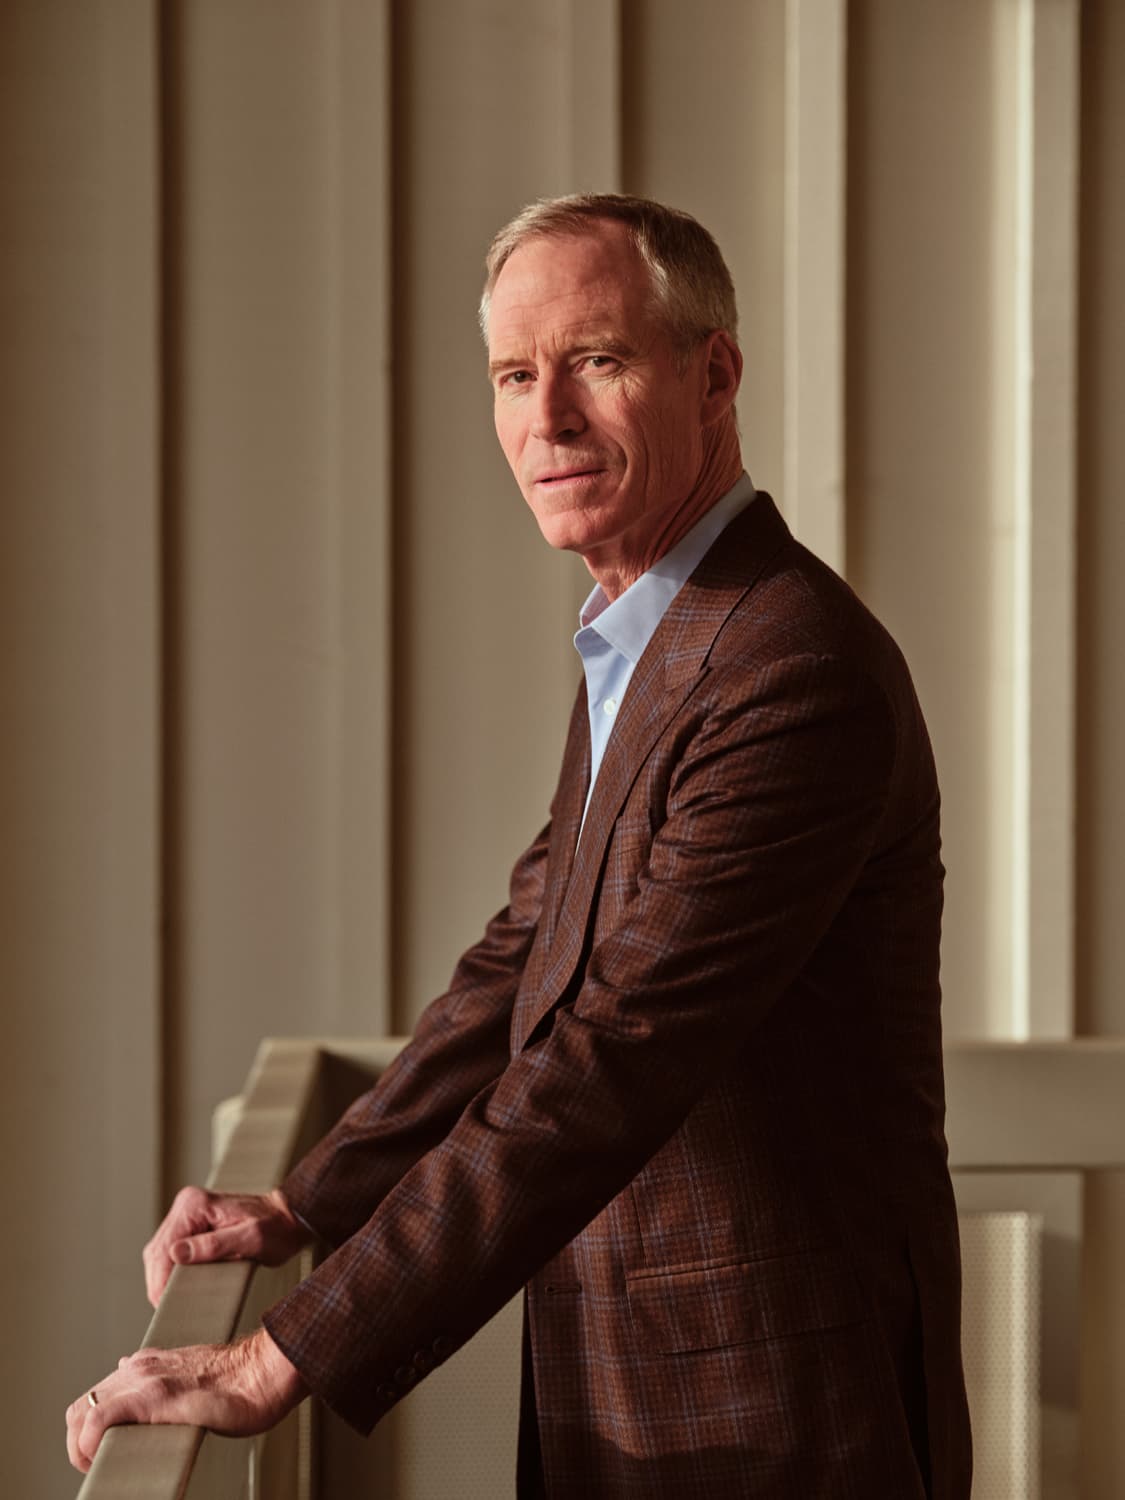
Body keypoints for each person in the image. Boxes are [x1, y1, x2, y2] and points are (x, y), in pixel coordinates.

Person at [67, 194, 972, 1498]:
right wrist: (311, 1202)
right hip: (643, 1383)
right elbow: (523, 963)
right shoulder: (650, 634)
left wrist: (281, 1356)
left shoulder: (789, 666)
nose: (543, 420)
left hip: (769, 1412)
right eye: (511, 374)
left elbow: (610, 1055)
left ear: (711, 372)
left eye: (594, 362)